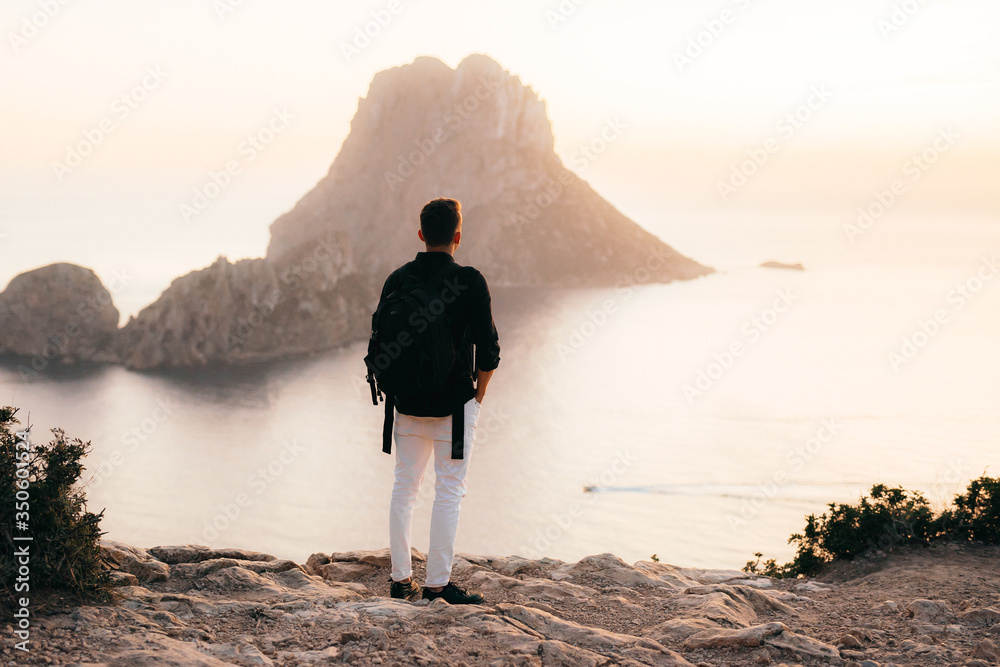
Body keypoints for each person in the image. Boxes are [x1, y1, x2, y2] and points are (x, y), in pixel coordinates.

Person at [373, 198, 500, 604]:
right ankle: (437, 586)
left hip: (405, 404)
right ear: (457, 237)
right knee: (448, 490)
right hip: (454, 408)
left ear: (422, 235)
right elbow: (490, 350)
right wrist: (476, 398)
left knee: (404, 488)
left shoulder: (397, 280)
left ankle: (399, 580)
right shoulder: (470, 281)